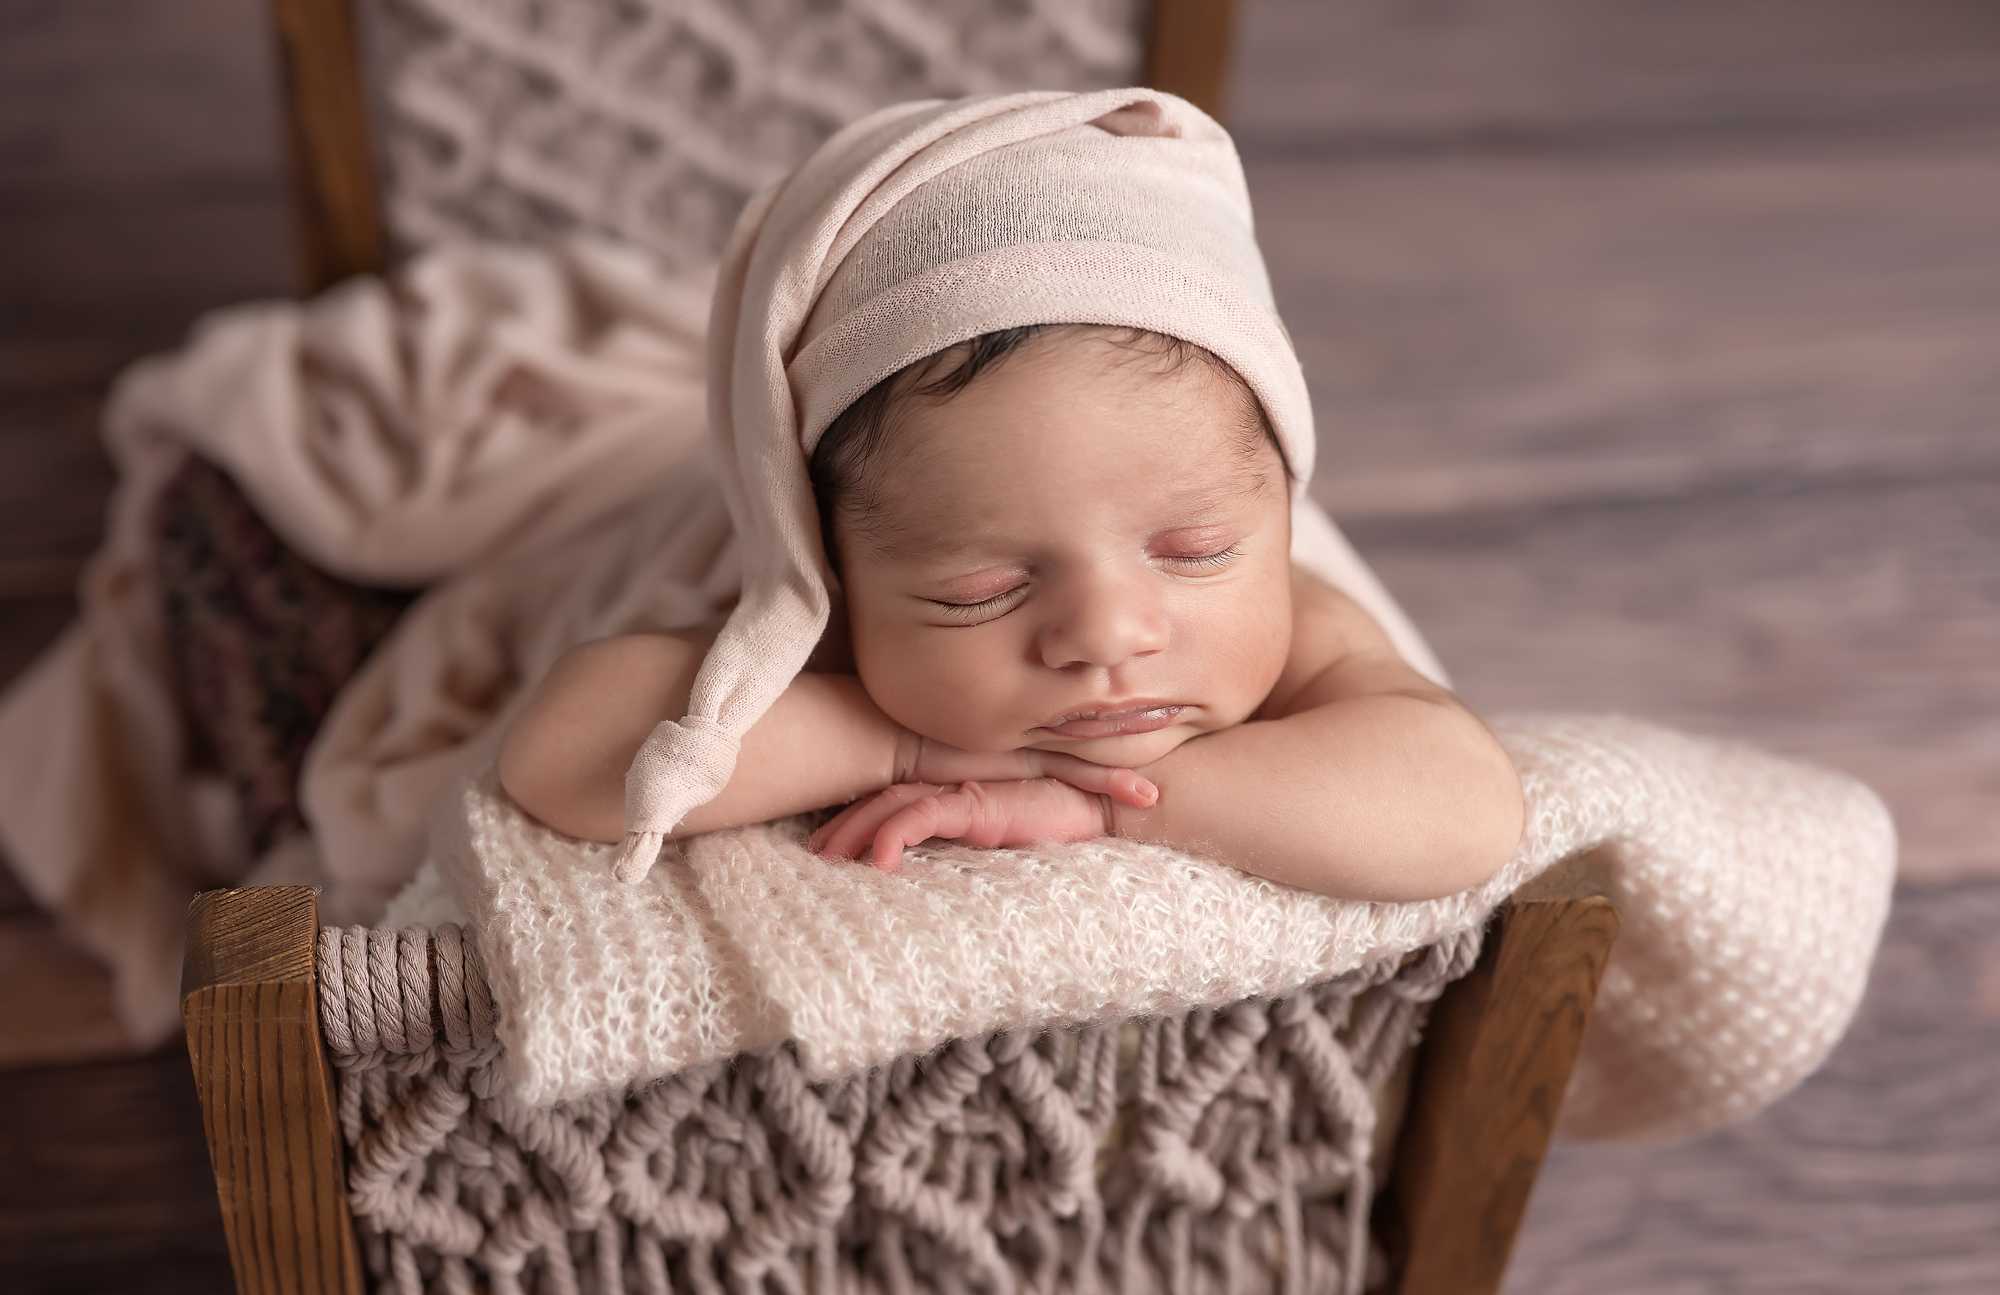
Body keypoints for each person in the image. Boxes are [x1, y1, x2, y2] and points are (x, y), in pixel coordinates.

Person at [495, 90, 1524, 903]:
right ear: (828, 566)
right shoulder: (821, 614)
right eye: (980, 589)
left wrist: (1098, 806)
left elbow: (1465, 805)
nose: (1107, 632)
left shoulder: (1298, 615)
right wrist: (900, 741)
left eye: (1196, 548)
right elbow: (563, 759)